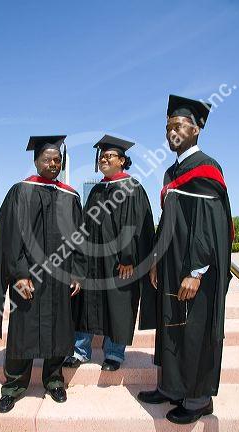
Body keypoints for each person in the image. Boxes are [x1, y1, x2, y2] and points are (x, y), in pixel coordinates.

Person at [138, 95, 233, 424]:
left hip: (196, 270)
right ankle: (172, 388)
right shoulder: (170, 172)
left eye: (177, 126)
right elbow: (167, 222)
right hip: (170, 263)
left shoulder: (206, 167)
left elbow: (209, 223)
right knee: (173, 327)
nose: (171, 133)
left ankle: (197, 399)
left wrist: (196, 270)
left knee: (193, 330)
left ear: (196, 129)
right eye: (168, 128)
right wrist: (154, 259)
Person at [0, 135, 85, 413]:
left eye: (57, 159)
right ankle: (14, 385)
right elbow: (10, 238)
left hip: (60, 277)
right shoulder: (21, 191)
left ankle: (54, 380)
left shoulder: (70, 195)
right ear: (36, 161)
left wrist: (77, 272)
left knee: (58, 329)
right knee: (23, 331)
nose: (53, 163)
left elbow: (79, 239)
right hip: (29, 278)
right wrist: (18, 274)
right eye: (47, 159)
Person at [64, 134, 155, 371]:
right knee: (85, 303)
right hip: (93, 261)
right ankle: (80, 350)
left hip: (120, 264)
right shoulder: (96, 191)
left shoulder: (132, 188)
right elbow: (84, 227)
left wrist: (129, 258)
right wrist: (78, 265)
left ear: (123, 160)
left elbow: (136, 226)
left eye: (110, 155)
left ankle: (114, 354)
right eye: (102, 156)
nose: (104, 159)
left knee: (119, 305)